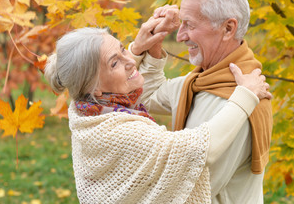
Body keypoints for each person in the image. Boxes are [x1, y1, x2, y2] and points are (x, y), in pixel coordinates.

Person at [44, 26, 271, 203]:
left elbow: (142, 94)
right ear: (94, 87)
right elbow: (199, 149)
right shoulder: (120, 132)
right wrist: (245, 96)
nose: (130, 61)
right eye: (115, 63)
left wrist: (144, 51)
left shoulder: (89, 109)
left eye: (123, 49)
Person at [129, 0, 273, 204]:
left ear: (228, 28)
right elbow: (148, 95)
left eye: (190, 25)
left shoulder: (240, 100)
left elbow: (187, 189)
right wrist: (148, 46)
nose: (180, 36)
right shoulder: (200, 80)